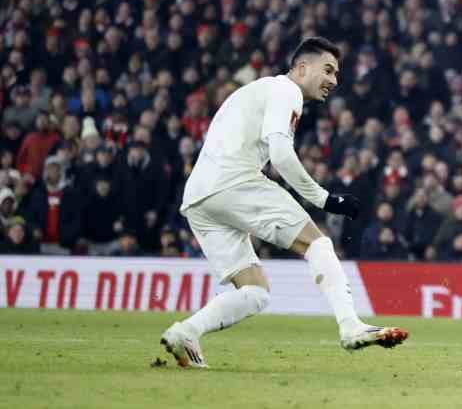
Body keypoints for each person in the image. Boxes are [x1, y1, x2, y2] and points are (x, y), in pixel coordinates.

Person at [158, 37, 408, 369]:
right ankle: (350, 326)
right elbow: (279, 153)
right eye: (328, 70)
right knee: (317, 243)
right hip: (234, 181)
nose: (334, 80)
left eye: (337, 74)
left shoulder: (259, 91)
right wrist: (324, 199)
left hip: (199, 199)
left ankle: (186, 332)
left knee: (255, 292)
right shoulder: (286, 91)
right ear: (302, 68)